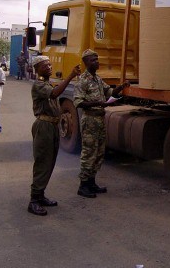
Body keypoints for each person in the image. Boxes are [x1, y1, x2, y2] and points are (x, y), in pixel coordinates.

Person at [27, 56, 81, 216]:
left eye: (50, 64)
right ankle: (34, 200)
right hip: (44, 127)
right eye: (45, 65)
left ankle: (41, 194)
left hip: (52, 126)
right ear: (37, 69)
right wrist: (70, 76)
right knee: (42, 162)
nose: (49, 67)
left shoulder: (46, 83)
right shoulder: (38, 85)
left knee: (49, 163)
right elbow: (55, 94)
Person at [74, 49, 130, 198]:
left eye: (97, 59)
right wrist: (97, 103)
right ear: (86, 62)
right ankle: (83, 185)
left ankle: (92, 182)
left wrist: (120, 87)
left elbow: (109, 92)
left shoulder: (97, 79)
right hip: (90, 120)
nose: (97, 62)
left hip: (100, 119)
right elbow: (78, 102)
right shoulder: (83, 80)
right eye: (93, 60)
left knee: (99, 153)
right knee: (89, 153)